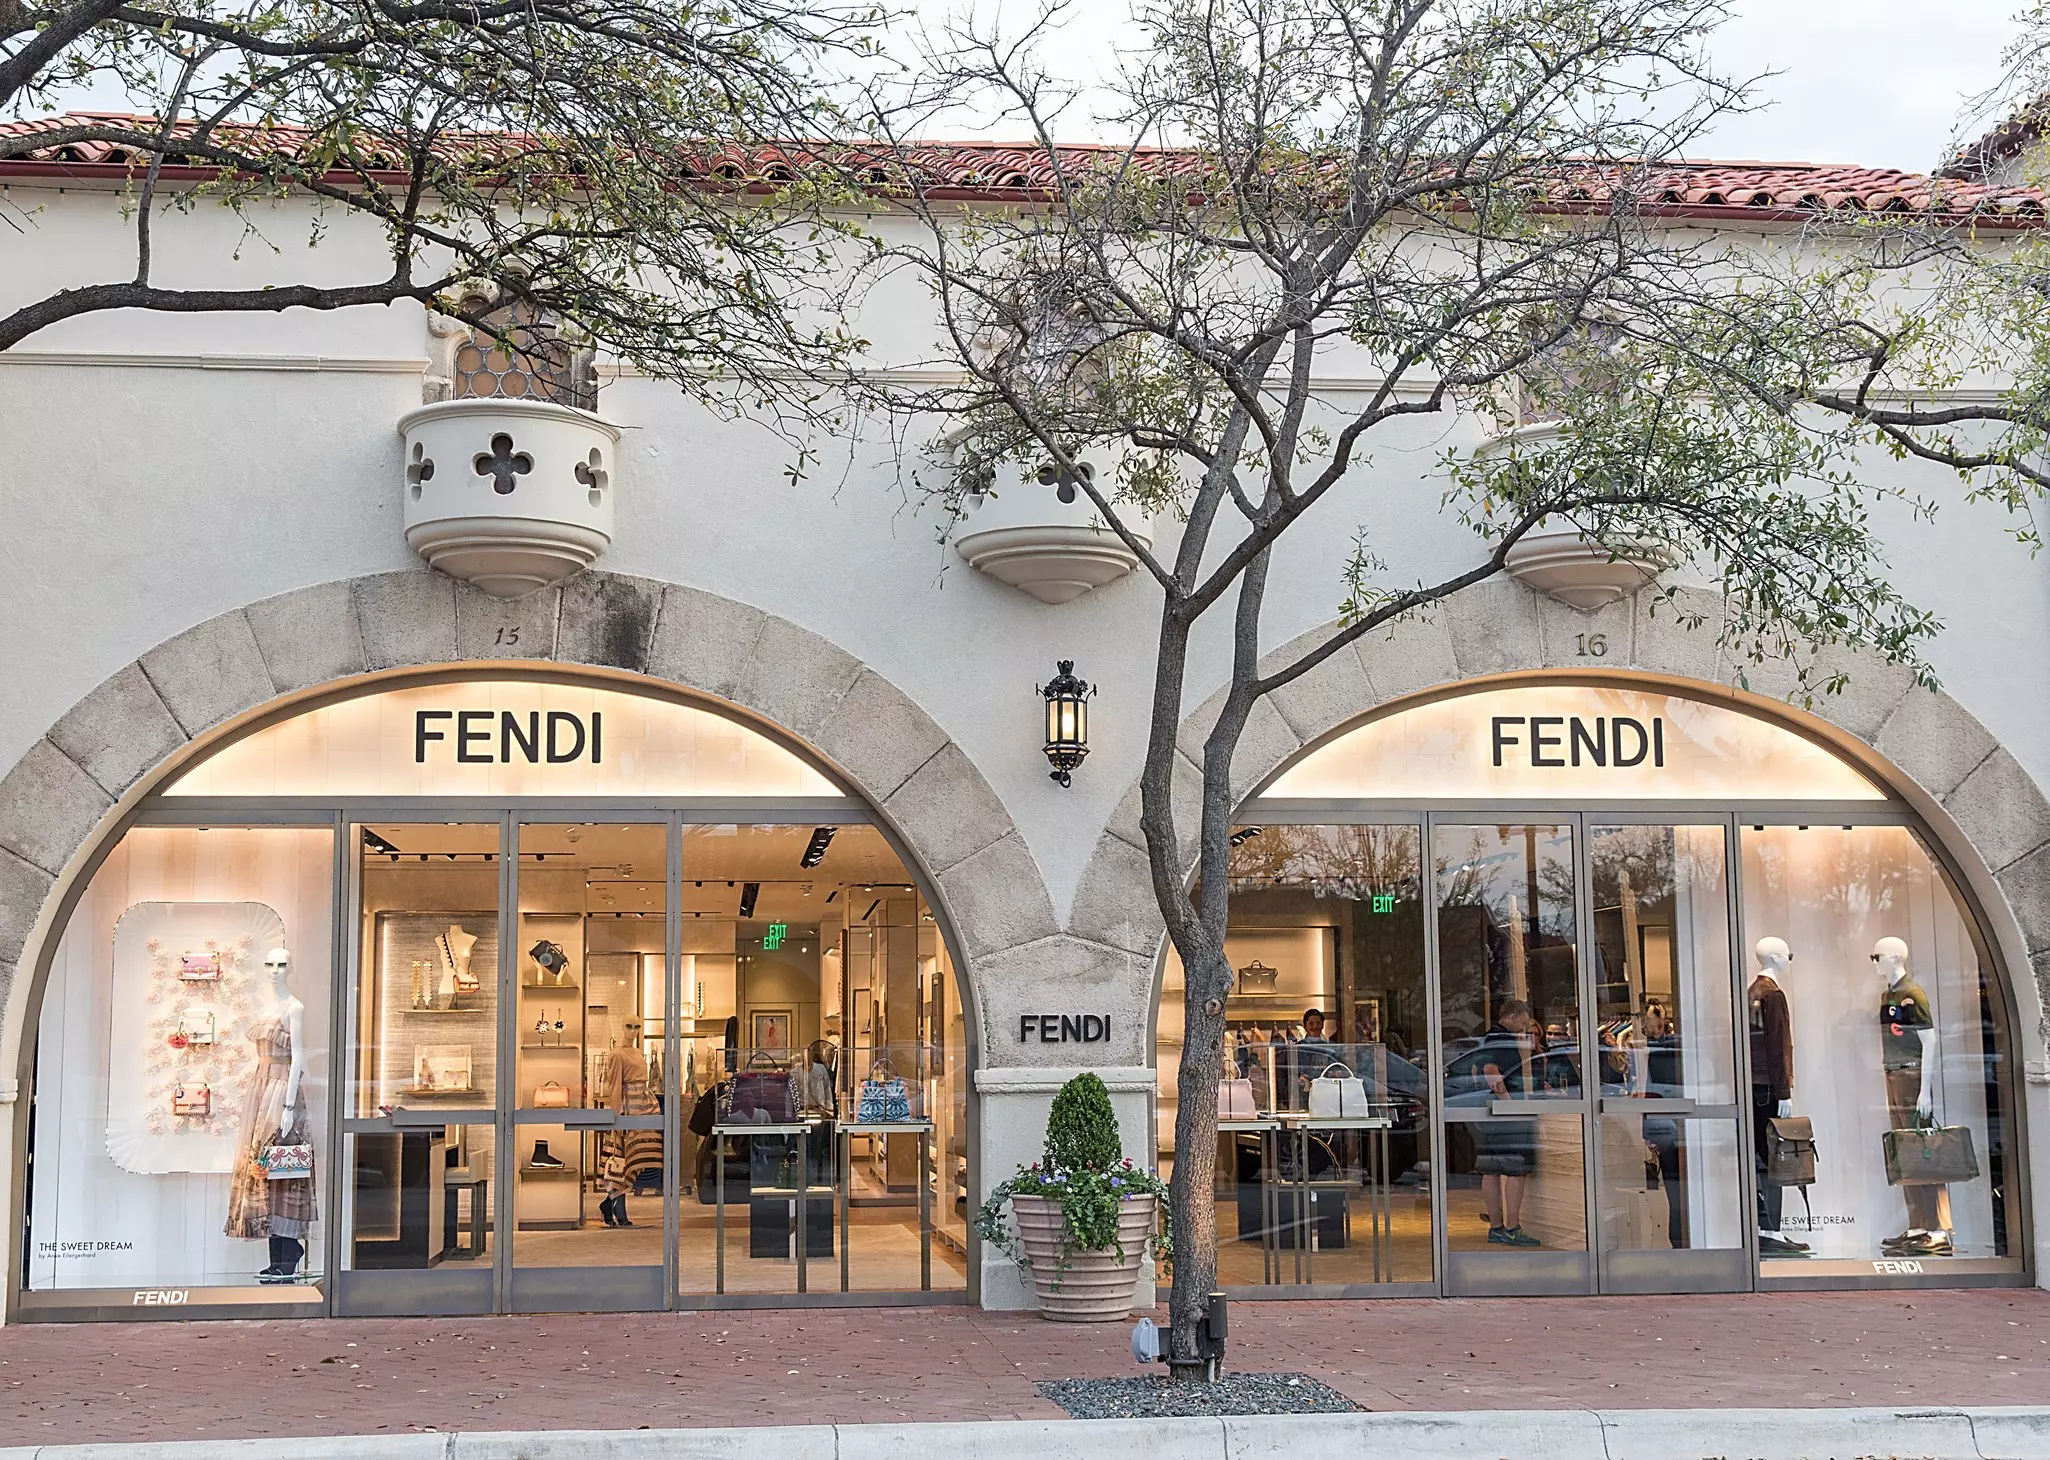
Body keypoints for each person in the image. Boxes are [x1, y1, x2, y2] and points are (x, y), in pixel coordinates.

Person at [1475, 999, 1541, 1247]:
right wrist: (1509, 1105)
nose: (1523, 1028)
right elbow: (1491, 1071)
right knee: (1516, 1168)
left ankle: (1496, 1227)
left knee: (1490, 1169)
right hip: (1504, 1111)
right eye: (1522, 1023)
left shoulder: (1487, 1038)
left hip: (1488, 1111)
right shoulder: (1502, 1041)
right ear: (1510, 1018)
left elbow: (1479, 1071)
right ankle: (1512, 1227)